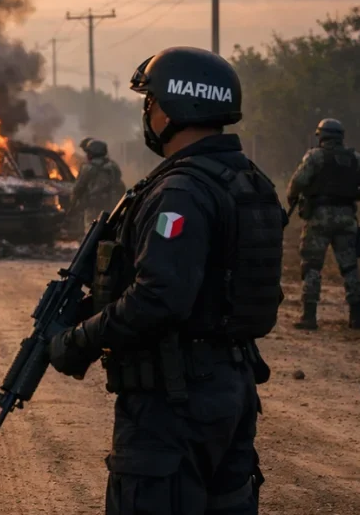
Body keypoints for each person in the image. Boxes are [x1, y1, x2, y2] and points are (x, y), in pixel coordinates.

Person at [48, 47, 285, 514]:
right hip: (230, 388)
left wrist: (78, 341)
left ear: (174, 106)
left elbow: (158, 298)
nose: (147, 112)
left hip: (173, 402)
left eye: (150, 101)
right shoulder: (247, 180)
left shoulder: (180, 190)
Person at [286, 118, 360, 330]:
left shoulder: (315, 157)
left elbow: (298, 182)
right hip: (346, 218)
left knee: (312, 266)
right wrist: (349, 197)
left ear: (321, 136)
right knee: (349, 266)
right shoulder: (355, 158)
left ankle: (309, 316)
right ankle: (356, 317)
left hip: (318, 218)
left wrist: (292, 197)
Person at [70, 138, 126, 225]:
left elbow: (78, 188)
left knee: (91, 229)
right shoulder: (113, 166)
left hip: (94, 206)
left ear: (91, 153)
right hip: (111, 205)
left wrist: (73, 204)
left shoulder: (87, 168)